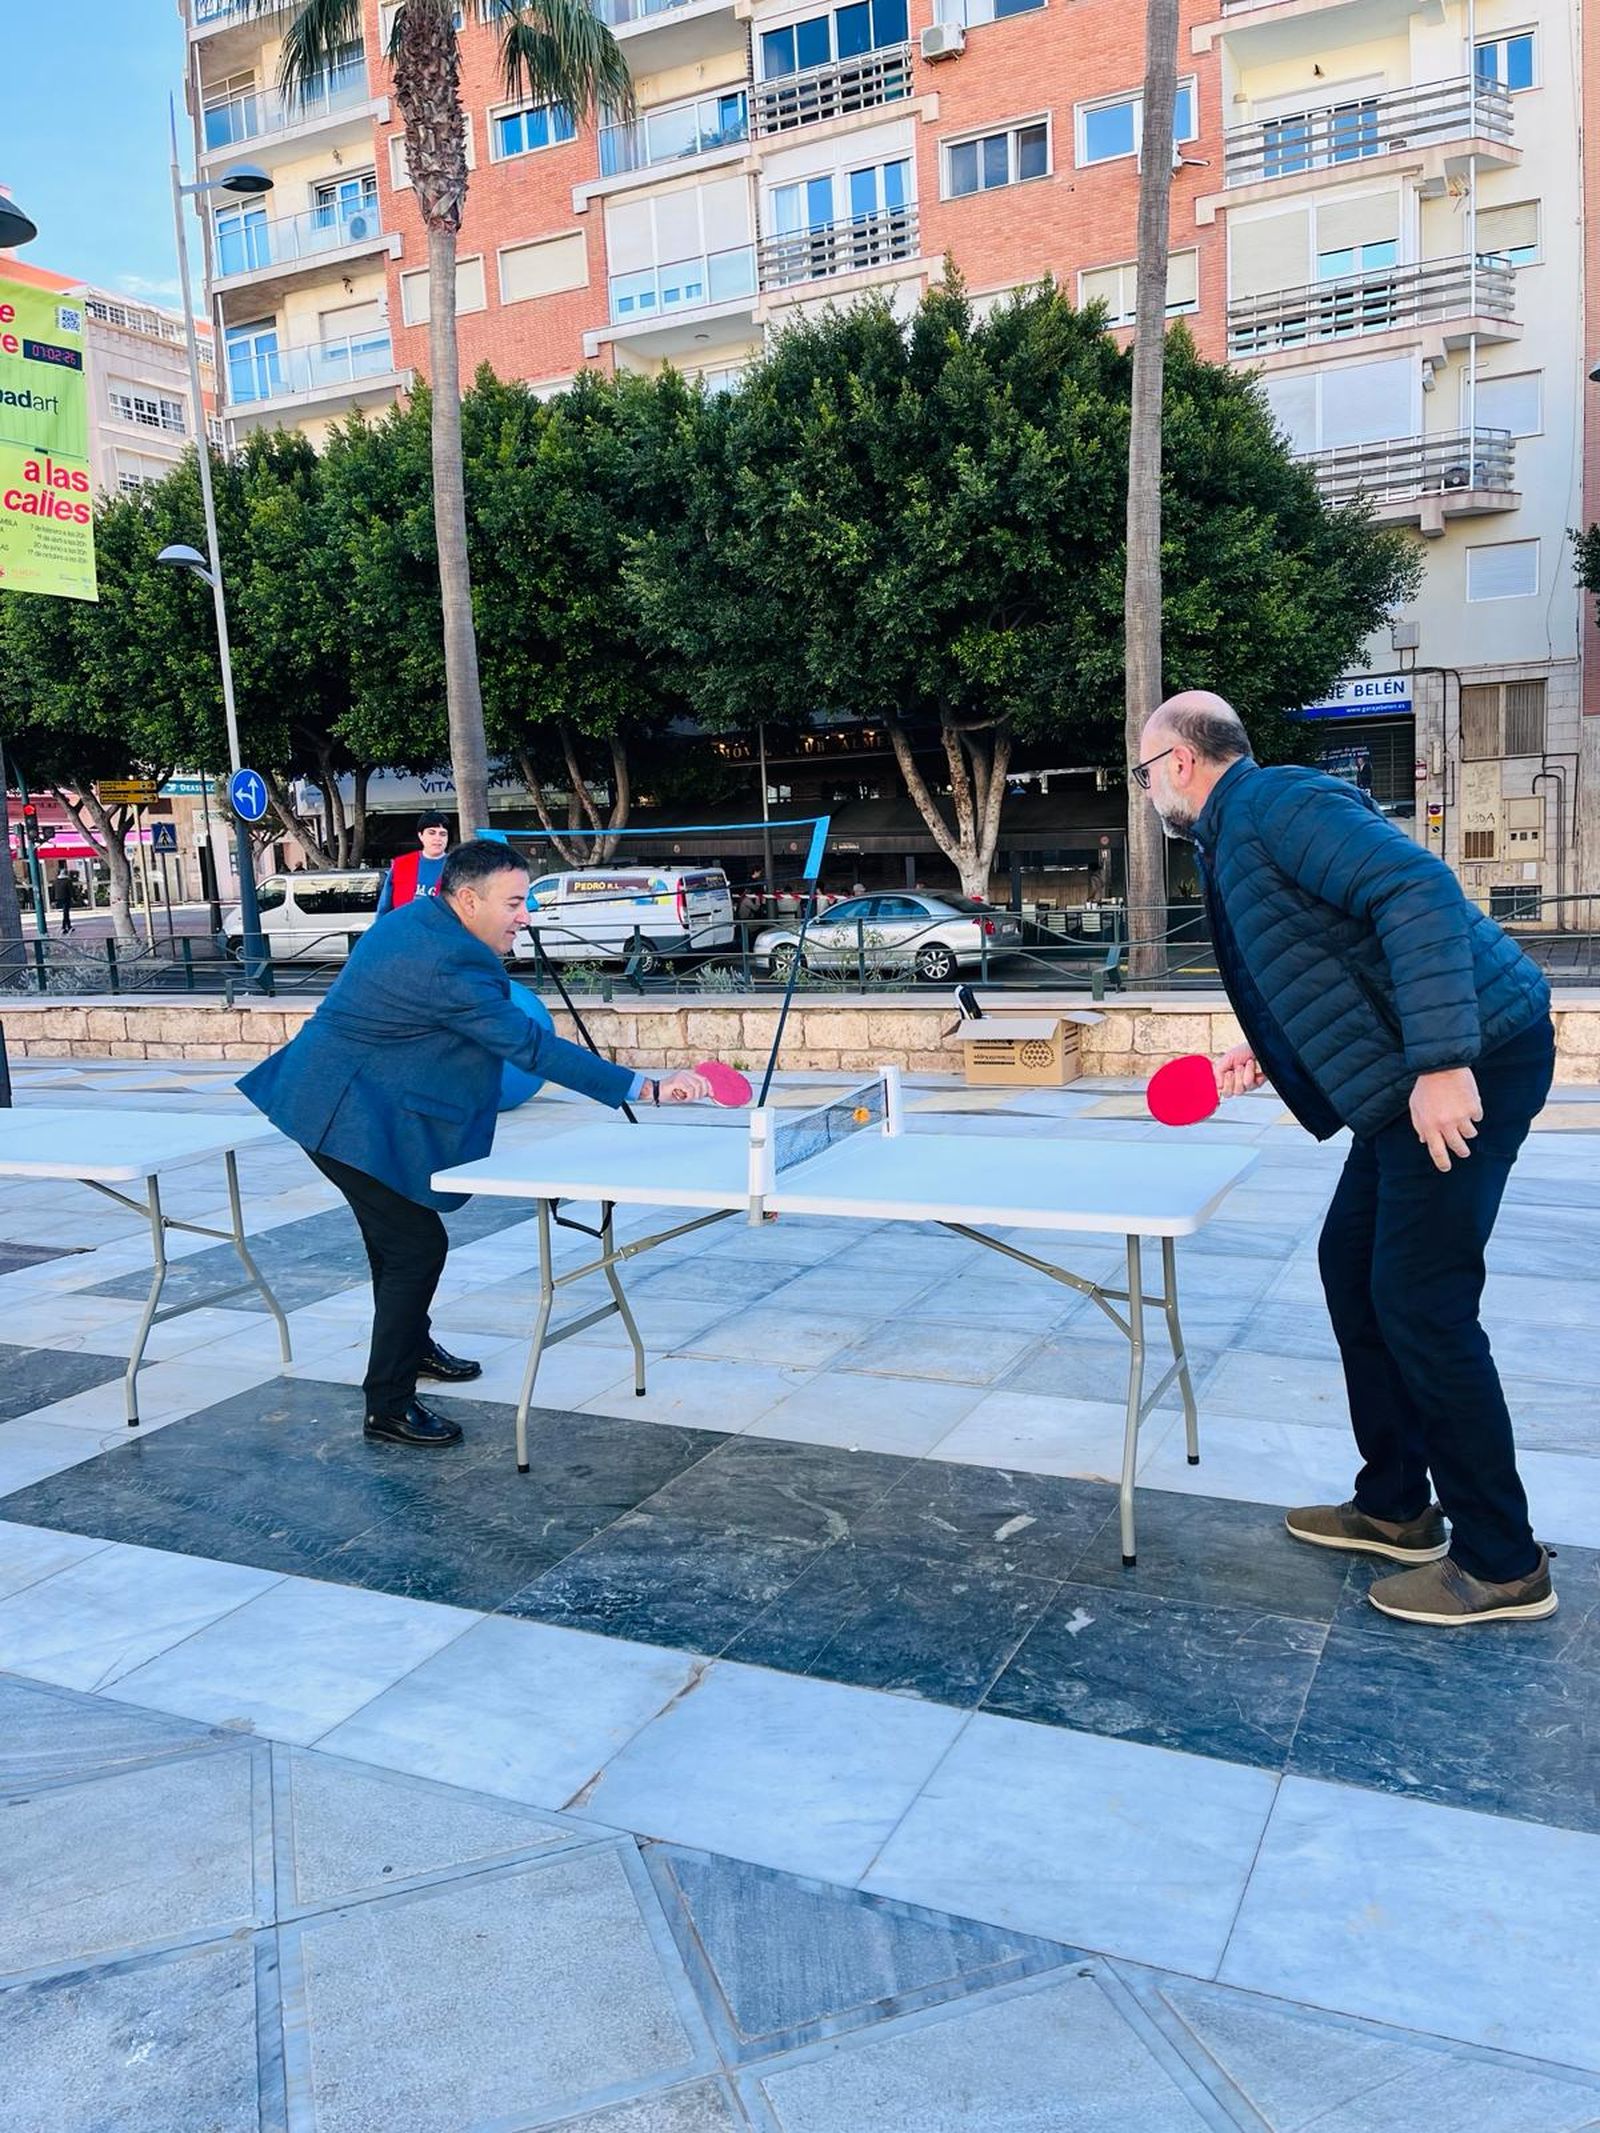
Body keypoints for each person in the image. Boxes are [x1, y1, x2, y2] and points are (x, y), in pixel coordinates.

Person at [1136, 691, 1556, 1627]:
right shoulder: (1238, 832)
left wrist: (1444, 1061)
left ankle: (1503, 1559)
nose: (1145, 789)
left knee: (1422, 1299)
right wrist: (1272, 1052)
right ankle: (1398, 1504)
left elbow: (1417, 890)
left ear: (1179, 762)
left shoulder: (1276, 803)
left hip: (1475, 1053)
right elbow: (1334, 954)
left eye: (1142, 770)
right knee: (1351, 1267)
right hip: (1406, 1081)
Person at [241, 839, 711, 1448]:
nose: (526, 916)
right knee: (414, 1246)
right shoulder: (449, 961)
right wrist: (644, 1087)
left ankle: (412, 1346)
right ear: (467, 899)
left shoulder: (420, 918)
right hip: (339, 1112)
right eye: (515, 902)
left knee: (398, 1244)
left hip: (339, 1095)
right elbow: (530, 1047)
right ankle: (387, 1404)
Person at [375, 810, 452, 916]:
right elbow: (384, 908)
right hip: (405, 929)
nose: (437, 838)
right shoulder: (402, 865)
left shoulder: (457, 866)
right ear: (421, 835)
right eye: (432, 832)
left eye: (442, 834)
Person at [51, 864, 74, 936]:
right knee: (66, 912)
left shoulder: (55, 881)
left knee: (65, 912)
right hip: (66, 898)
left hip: (58, 898)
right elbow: (71, 890)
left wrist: (52, 899)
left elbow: (52, 890)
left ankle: (68, 926)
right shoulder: (68, 881)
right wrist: (74, 897)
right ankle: (64, 926)